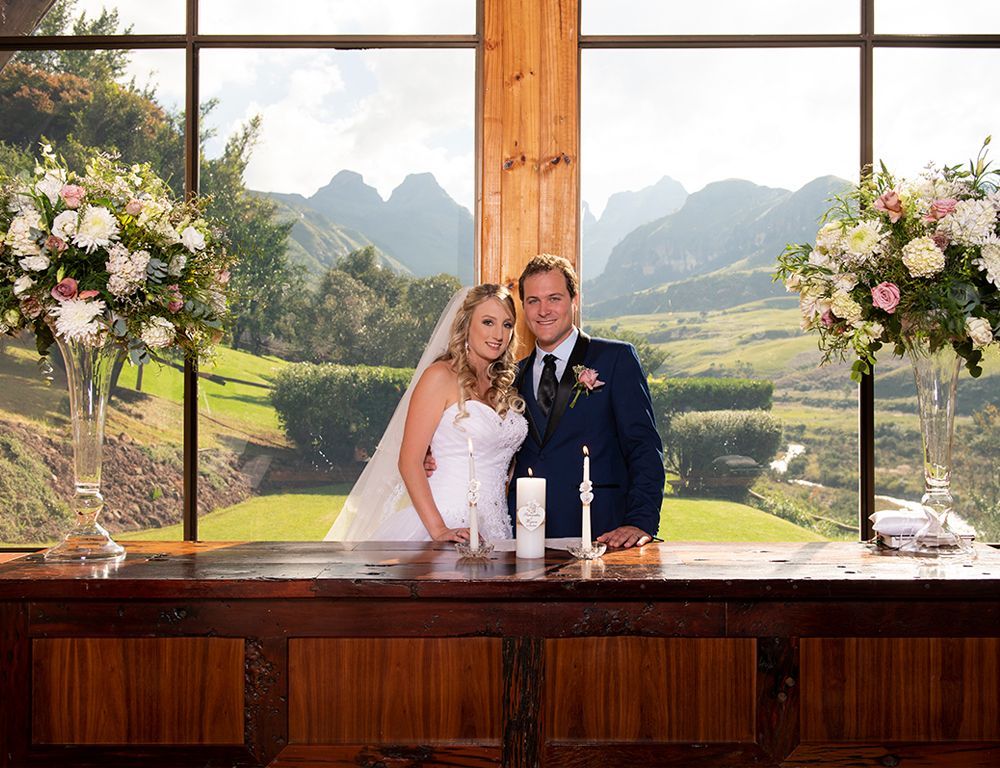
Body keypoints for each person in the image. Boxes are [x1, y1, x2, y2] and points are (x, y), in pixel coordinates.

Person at [324, 284, 527, 542]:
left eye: (507, 325)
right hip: (446, 519)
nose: (498, 334)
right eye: (488, 322)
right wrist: (439, 529)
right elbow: (409, 460)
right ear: (466, 325)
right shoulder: (440, 376)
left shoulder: (504, 386)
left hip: (497, 526)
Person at [510, 254, 664, 547]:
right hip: (524, 535)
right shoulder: (514, 375)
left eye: (554, 298)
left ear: (574, 299)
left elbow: (643, 447)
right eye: (533, 300)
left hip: (602, 531)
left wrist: (640, 521)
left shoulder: (616, 359)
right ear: (524, 306)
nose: (543, 310)